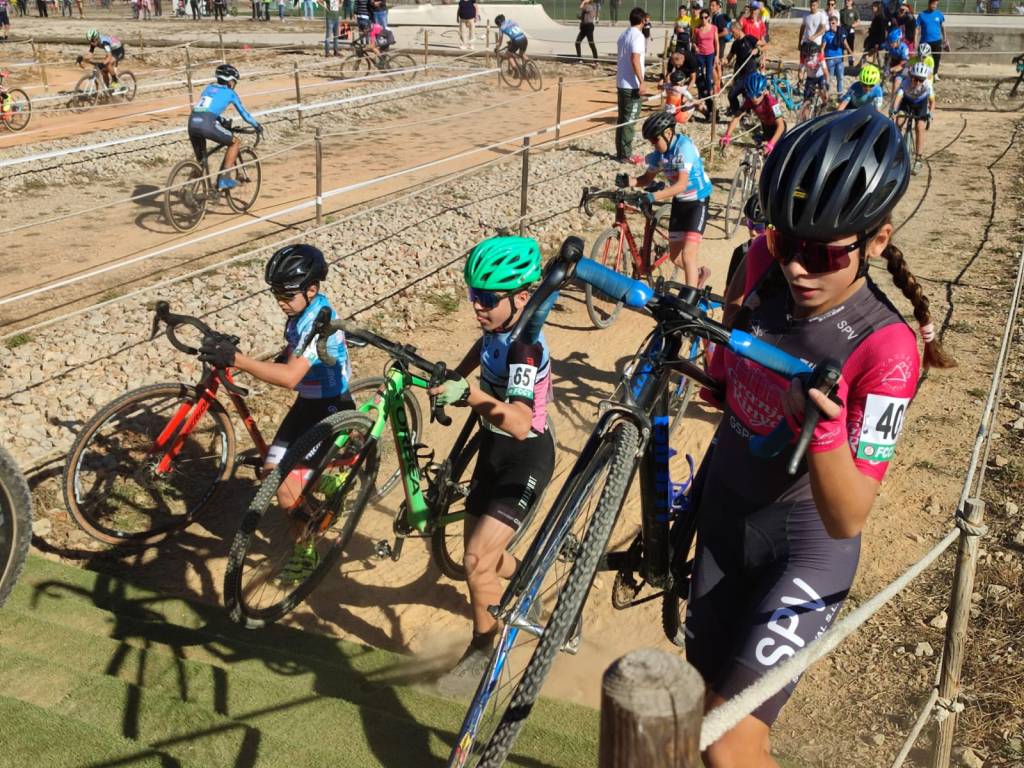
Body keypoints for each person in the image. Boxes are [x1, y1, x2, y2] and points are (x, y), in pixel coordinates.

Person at [687, 107, 955, 768]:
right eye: (787, 244)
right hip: (725, 512)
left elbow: (849, 515)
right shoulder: (762, 260)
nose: (799, 270)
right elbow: (732, 336)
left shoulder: (889, 349)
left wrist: (826, 431)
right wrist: (719, 372)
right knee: (696, 710)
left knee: (728, 740)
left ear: (876, 240)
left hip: (805, 547)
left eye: (824, 253)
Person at [432, 236, 556, 689]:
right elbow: (483, 346)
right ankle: (527, 581)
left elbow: (520, 423)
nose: (476, 306)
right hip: (491, 451)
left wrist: (468, 394)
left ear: (521, 298)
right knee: (483, 558)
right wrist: (456, 374)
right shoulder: (498, 325)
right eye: (473, 294)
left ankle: (484, 651)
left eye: (486, 298)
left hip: (525, 458)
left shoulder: (526, 348)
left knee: (475, 560)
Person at [198, 244, 356, 584]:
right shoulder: (301, 311)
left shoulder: (320, 321)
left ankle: (306, 549)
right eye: (276, 294)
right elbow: (291, 354)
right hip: (308, 404)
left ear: (311, 289)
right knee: (272, 473)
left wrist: (237, 360)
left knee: (284, 486)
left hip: (331, 406)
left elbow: (289, 378)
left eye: (287, 294)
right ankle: (327, 482)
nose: (281, 301)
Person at [620, 112, 713, 286]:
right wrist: (628, 182)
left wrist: (652, 196)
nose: (653, 144)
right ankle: (699, 273)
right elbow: (646, 179)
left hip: (697, 201)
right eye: (650, 141)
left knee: (688, 255)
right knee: (675, 257)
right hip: (680, 202)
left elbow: (681, 185)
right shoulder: (660, 153)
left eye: (655, 139)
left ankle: (689, 298)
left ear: (668, 133)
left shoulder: (683, 148)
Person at [188, 65, 263, 190]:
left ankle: (188, 189)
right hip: (207, 124)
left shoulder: (209, 88)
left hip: (192, 122)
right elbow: (245, 114)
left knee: (201, 162)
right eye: (235, 81)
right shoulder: (231, 93)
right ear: (230, 81)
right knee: (235, 142)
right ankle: (225, 179)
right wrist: (257, 125)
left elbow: (205, 109)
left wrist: (221, 120)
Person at [720, 71, 786, 153]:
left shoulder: (772, 102)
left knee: (777, 152)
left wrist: (771, 144)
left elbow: (781, 125)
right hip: (765, 126)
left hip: (777, 128)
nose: (754, 99)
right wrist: (727, 135)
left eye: (758, 95)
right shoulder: (749, 101)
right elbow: (737, 117)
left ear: (764, 91)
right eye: (751, 95)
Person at [615, 7, 647, 163]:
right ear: (642, 21)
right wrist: (642, 81)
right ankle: (626, 154)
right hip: (631, 84)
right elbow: (635, 59)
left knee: (622, 119)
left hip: (621, 82)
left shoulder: (623, 34)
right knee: (630, 120)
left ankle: (621, 152)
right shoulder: (638, 36)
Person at [891, 61, 934, 174]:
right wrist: (894, 111)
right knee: (898, 123)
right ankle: (897, 151)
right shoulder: (905, 83)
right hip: (907, 102)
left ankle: (918, 159)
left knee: (920, 128)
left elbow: (932, 101)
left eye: (921, 80)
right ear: (911, 77)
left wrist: (930, 113)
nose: (918, 82)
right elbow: (898, 97)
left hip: (921, 104)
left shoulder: (927, 85)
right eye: (915, 79)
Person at [724, 19, 764, 114]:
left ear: (738, 30)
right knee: (731, 95)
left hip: (750, 73)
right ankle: (737, 113)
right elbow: (729, 58)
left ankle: (748, 114)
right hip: (739, 74)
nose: (732, 35)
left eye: (733, 32)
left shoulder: (749, 39)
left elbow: (765, 45)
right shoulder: (735, 44)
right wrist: (723, 61)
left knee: (748, 97)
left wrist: (757, 50)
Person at [798, 40, 830, 119]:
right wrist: (800, 80)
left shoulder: (819, 56)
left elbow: (826, 72)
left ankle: (825, 105)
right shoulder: (803, 57)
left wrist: (827, 83)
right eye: (807, 55)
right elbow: (801, 71)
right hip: (810, 78)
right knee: (806, 99)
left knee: (823, 92)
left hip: (820, 77)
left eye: (811, 55)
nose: (809, 57)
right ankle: (805, 119)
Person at [693, 8, 720, 100]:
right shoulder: (697, 29)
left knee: (708, 75)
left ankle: (709, 92)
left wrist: (717, 56)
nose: (703, 19)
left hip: (710, 54)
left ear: (709, 18)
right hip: (700, 54)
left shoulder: (714, 28)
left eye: (705, 17)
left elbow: (716, 42)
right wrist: (695, 47)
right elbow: (693, 41)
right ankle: (702, 92)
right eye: (702, 17)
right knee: (701, 75)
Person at [916, 0, 947, 78]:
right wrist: (915, 40)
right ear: (929, 4)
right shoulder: (921, 15)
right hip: (925, 41)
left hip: (937, 40)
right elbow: (917, 29)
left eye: (936, 4)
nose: (934, 6)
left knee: (936, 58)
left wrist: (945, 38)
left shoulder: (939, 14)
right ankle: (922, 73)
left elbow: (942, 27)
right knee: (922, 58)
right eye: (933, 4)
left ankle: (935, 73)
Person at [822, 17, 850, 96]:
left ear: (837, 23)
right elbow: (822, 48)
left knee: (840, 77)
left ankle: (840, 94)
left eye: (833, 23)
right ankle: (827, 94)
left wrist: (851, 52)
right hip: (829, 59)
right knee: (829, 78)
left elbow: (845, 43)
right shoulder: (826, 34)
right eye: (830, 23)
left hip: (839, 59)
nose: (831, 25)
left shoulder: (841, 33)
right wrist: (822, 58)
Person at [840, 0, 859, 66]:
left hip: (850, 31)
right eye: (846, 0)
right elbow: (839, 22)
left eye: (848, 0)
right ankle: (840, 62)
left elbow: (858, 21)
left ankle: (851, 63)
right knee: (842, 47)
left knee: (850, 48)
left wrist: (852, 25)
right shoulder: (842, 11)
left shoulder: (855, 11)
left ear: (851, 1)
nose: (847, 2)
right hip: (843, 30)